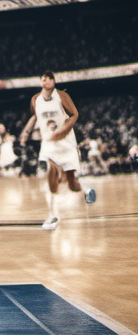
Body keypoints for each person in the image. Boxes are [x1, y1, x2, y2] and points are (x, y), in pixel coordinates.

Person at [20, 71, 96, 230]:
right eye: (43, 79)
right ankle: (53, 215)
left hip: (66, 142)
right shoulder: (35, 99)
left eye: (49, 79)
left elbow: (74, 114)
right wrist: (26, 132)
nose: (45, 82)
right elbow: (35, 118)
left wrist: (62, 131)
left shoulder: (61, 96)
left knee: (71, 183)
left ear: (54, 82)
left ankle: (86, 190)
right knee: (51, 171)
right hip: (49, 143)